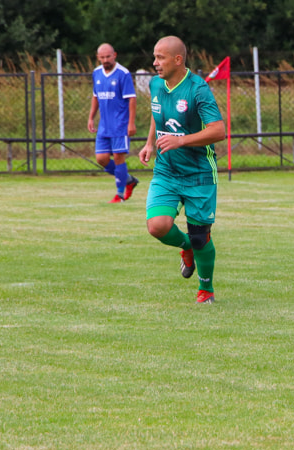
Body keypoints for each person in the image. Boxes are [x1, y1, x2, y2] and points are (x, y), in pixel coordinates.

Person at [138, 36, 226, 304]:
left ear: (178, 59)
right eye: (154, 57)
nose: (155, 63)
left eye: (160, 58)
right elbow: (158, 114)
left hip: (199, 172)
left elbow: (218, 130)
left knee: (201, 238)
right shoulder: (156, 84)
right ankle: (186, 247)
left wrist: (181, 140)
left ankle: (206, 290)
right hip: (166, 171)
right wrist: (150, 143)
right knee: (157, 226)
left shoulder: (198, 90)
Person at [88, 43, 139, 203]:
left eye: (108, 56)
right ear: (98, 58)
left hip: (120, 125)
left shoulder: (123, 74)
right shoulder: (96, 73)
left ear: (114, 55)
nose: (105, 60)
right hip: (104, 126)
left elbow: (131, 99)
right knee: (101, 159)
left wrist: (131, 123)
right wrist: (91, 117)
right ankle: (128, 179)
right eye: (102, 57)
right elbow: (95, 97)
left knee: (118, 157)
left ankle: (120, 194)